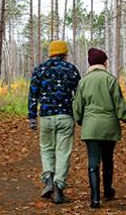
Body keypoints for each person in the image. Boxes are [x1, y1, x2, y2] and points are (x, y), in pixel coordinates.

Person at [72, 48, 126, 209]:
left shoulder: (83, 82)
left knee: (93, 161)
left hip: (91, 128)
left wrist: (80, 121)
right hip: (109, 127)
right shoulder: (110, 80)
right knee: (107, 160)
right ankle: (107, 192)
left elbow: (77, 107)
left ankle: (95, 199)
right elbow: (120, 105)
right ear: (103, 62)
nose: (107, 63)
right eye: (106, 60)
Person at [27, 40, 81, 204]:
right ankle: (59, 189)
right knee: (63, 152)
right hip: (65, 116)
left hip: (46, 117)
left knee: (46, 149)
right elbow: (79, 94)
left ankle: (48, 179)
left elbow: (33, 94)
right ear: (65, 53)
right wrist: (79, 115)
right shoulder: (71, 69)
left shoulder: (40, 69)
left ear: (51, 53)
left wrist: (32, 117)